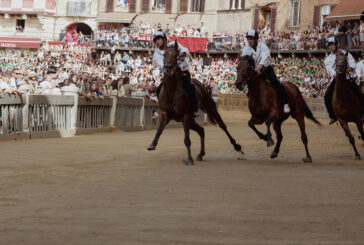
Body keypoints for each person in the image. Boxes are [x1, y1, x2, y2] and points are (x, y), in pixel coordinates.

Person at [241, 30, 290, 113]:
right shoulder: (246, 49)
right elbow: (244, 61)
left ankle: (286, 103)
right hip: (255, 72)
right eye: (248, 39)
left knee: (276, 83)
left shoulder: (262, 46)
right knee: (250, 91)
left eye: (251, 39)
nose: (249, 41)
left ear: (256, 39)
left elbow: (265, 57)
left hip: (266, 69)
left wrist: (259, 68)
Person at [152, 31, 199, 117]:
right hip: (170, 75)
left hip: (182, 72)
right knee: (159, 90)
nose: (157, 42)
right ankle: (163, 109)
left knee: (189, 87)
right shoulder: (156, 54)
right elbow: (162, 65)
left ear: (164, 39)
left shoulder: (173, 44)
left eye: (158, 39)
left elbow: (185, 50)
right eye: (155, 41)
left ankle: (194, 109)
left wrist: (183, 53)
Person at [324, 37, 360, 125]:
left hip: (347, 78)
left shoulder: (345, 53)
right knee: (327, 96)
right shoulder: (328, 59)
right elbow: (329, 69)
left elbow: (352, 62)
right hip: (337, 80)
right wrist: (335, 74)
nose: (331, 47)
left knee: (359, 93)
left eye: (332, 45)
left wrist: (350, 68)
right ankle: (332, 116)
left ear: (336, 45)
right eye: (329, 46)